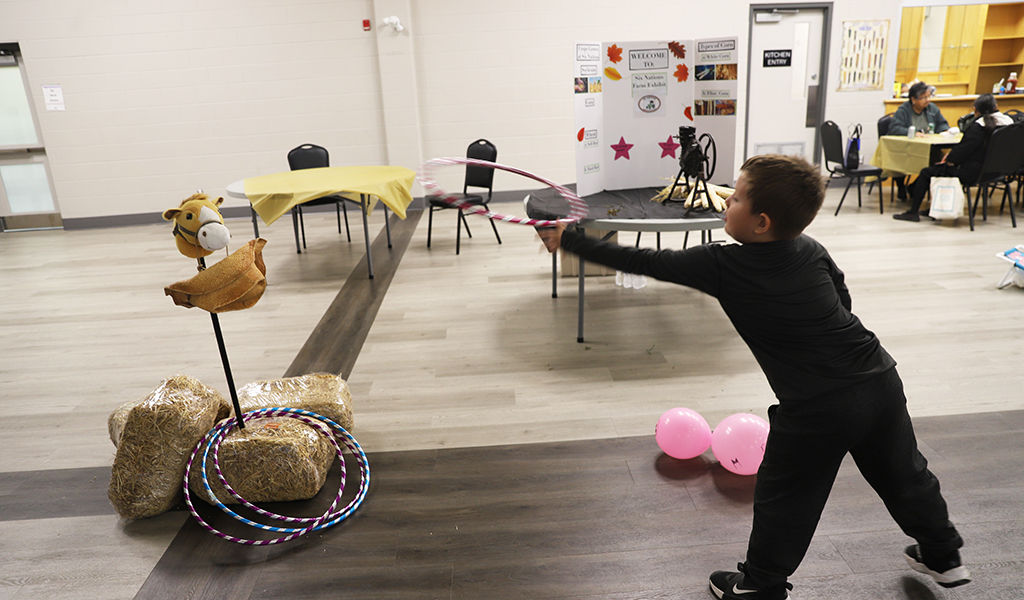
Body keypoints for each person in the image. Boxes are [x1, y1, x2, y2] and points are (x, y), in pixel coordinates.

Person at [537, 155, 970, 600]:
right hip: (878, 379)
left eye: (737, 198)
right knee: (905, 476)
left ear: (761, 222)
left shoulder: (722, 265)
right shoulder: (810, 249)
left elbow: (644, 260)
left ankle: (760, 587)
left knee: (787, 499)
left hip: (816, 409)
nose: (726, 201)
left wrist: (568, 239)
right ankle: (943, 554)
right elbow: (843, 301)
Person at [893, 93, 1013, 222]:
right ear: (996, 106)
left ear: (975, 110)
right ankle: (935, 208)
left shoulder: (978, 127)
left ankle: (913, 212)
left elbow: (962, 152)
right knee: (942, 169)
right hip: (1000, 172)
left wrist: (949, 160)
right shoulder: (1010, 124)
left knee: (926, 172)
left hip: (973, 173)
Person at [887, 82, 950, 201]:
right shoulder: (903, 110)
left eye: (929, 96)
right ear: (913, 99)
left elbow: (942, 124)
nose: (928, 100)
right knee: (898, 159)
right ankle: (901, 186)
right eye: (924, 97)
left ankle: (915, 187)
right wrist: (913, 133)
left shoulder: (932, 109)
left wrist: (945, 131)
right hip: (906, 148)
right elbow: (894, 128)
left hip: (929, 146)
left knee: (939, 160)